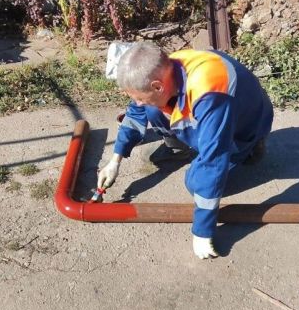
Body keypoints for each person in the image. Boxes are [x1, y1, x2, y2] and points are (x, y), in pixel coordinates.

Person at [98, 42, 273, 259]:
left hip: (243, 127)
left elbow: (214, 159)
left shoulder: (210, 92)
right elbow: (135, 114)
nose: (137, 103)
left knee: (195, 183)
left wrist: (203, 229)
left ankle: (250, 149)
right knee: (152, 111)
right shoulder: (165, 67)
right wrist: (115, 159)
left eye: (139, 97)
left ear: (157, 86)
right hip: (209, 112)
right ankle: (184, 147)